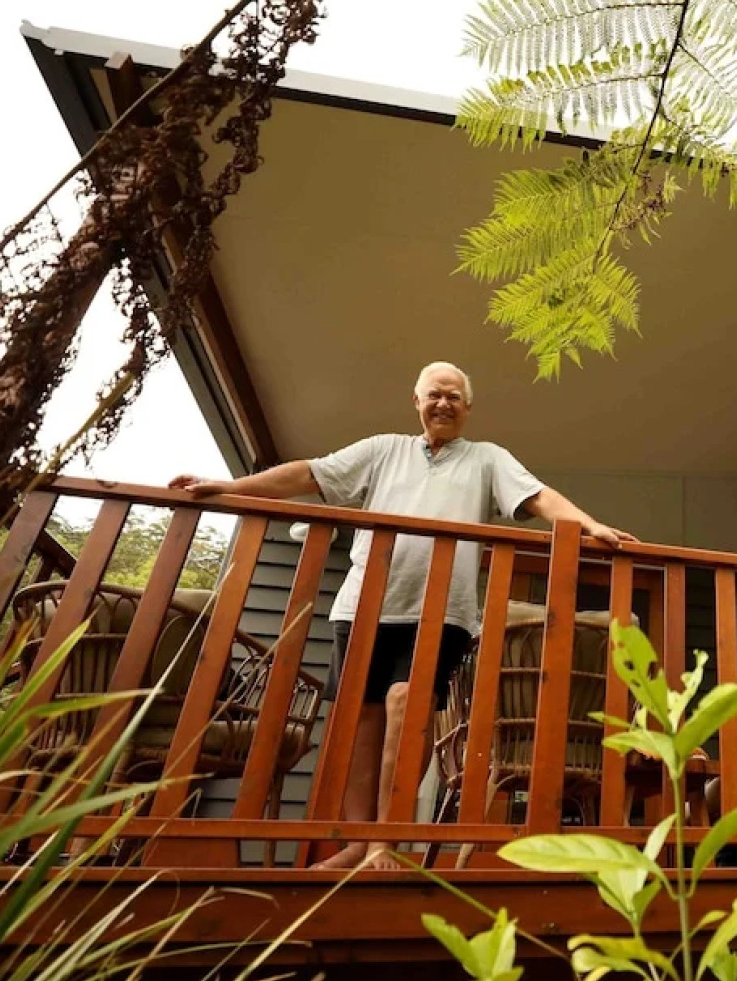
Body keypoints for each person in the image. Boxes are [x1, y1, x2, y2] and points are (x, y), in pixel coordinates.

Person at [169, 361, 635, 869]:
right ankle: (357, 841)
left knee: (405, 703)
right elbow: (309, 474)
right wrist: (228, 487)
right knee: (361, 720)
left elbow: (538, 496)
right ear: (416, 402)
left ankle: (385, 840)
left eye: (454, 396)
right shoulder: (382, 450)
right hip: (363, 605)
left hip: (443, 612)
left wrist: (588, 525)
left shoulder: (486, 459)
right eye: (435, 394)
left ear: (468, 408)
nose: (443, 403)